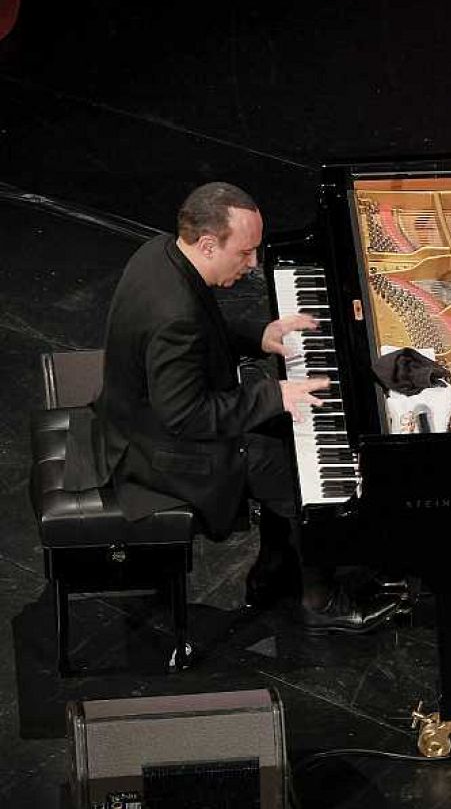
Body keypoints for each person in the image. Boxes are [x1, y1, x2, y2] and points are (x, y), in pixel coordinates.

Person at [64, 181, 398, 632]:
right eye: (245, 252)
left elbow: (206, 330)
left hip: (142, 418)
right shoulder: (173, 314)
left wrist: (259, 336)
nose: (253, 263)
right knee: (291, 470)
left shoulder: (162, 252)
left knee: (288, 428)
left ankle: (274, 570)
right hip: (155, 451)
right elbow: (187, 415)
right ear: (207, 243)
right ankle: (319, 600)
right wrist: (274, 393)